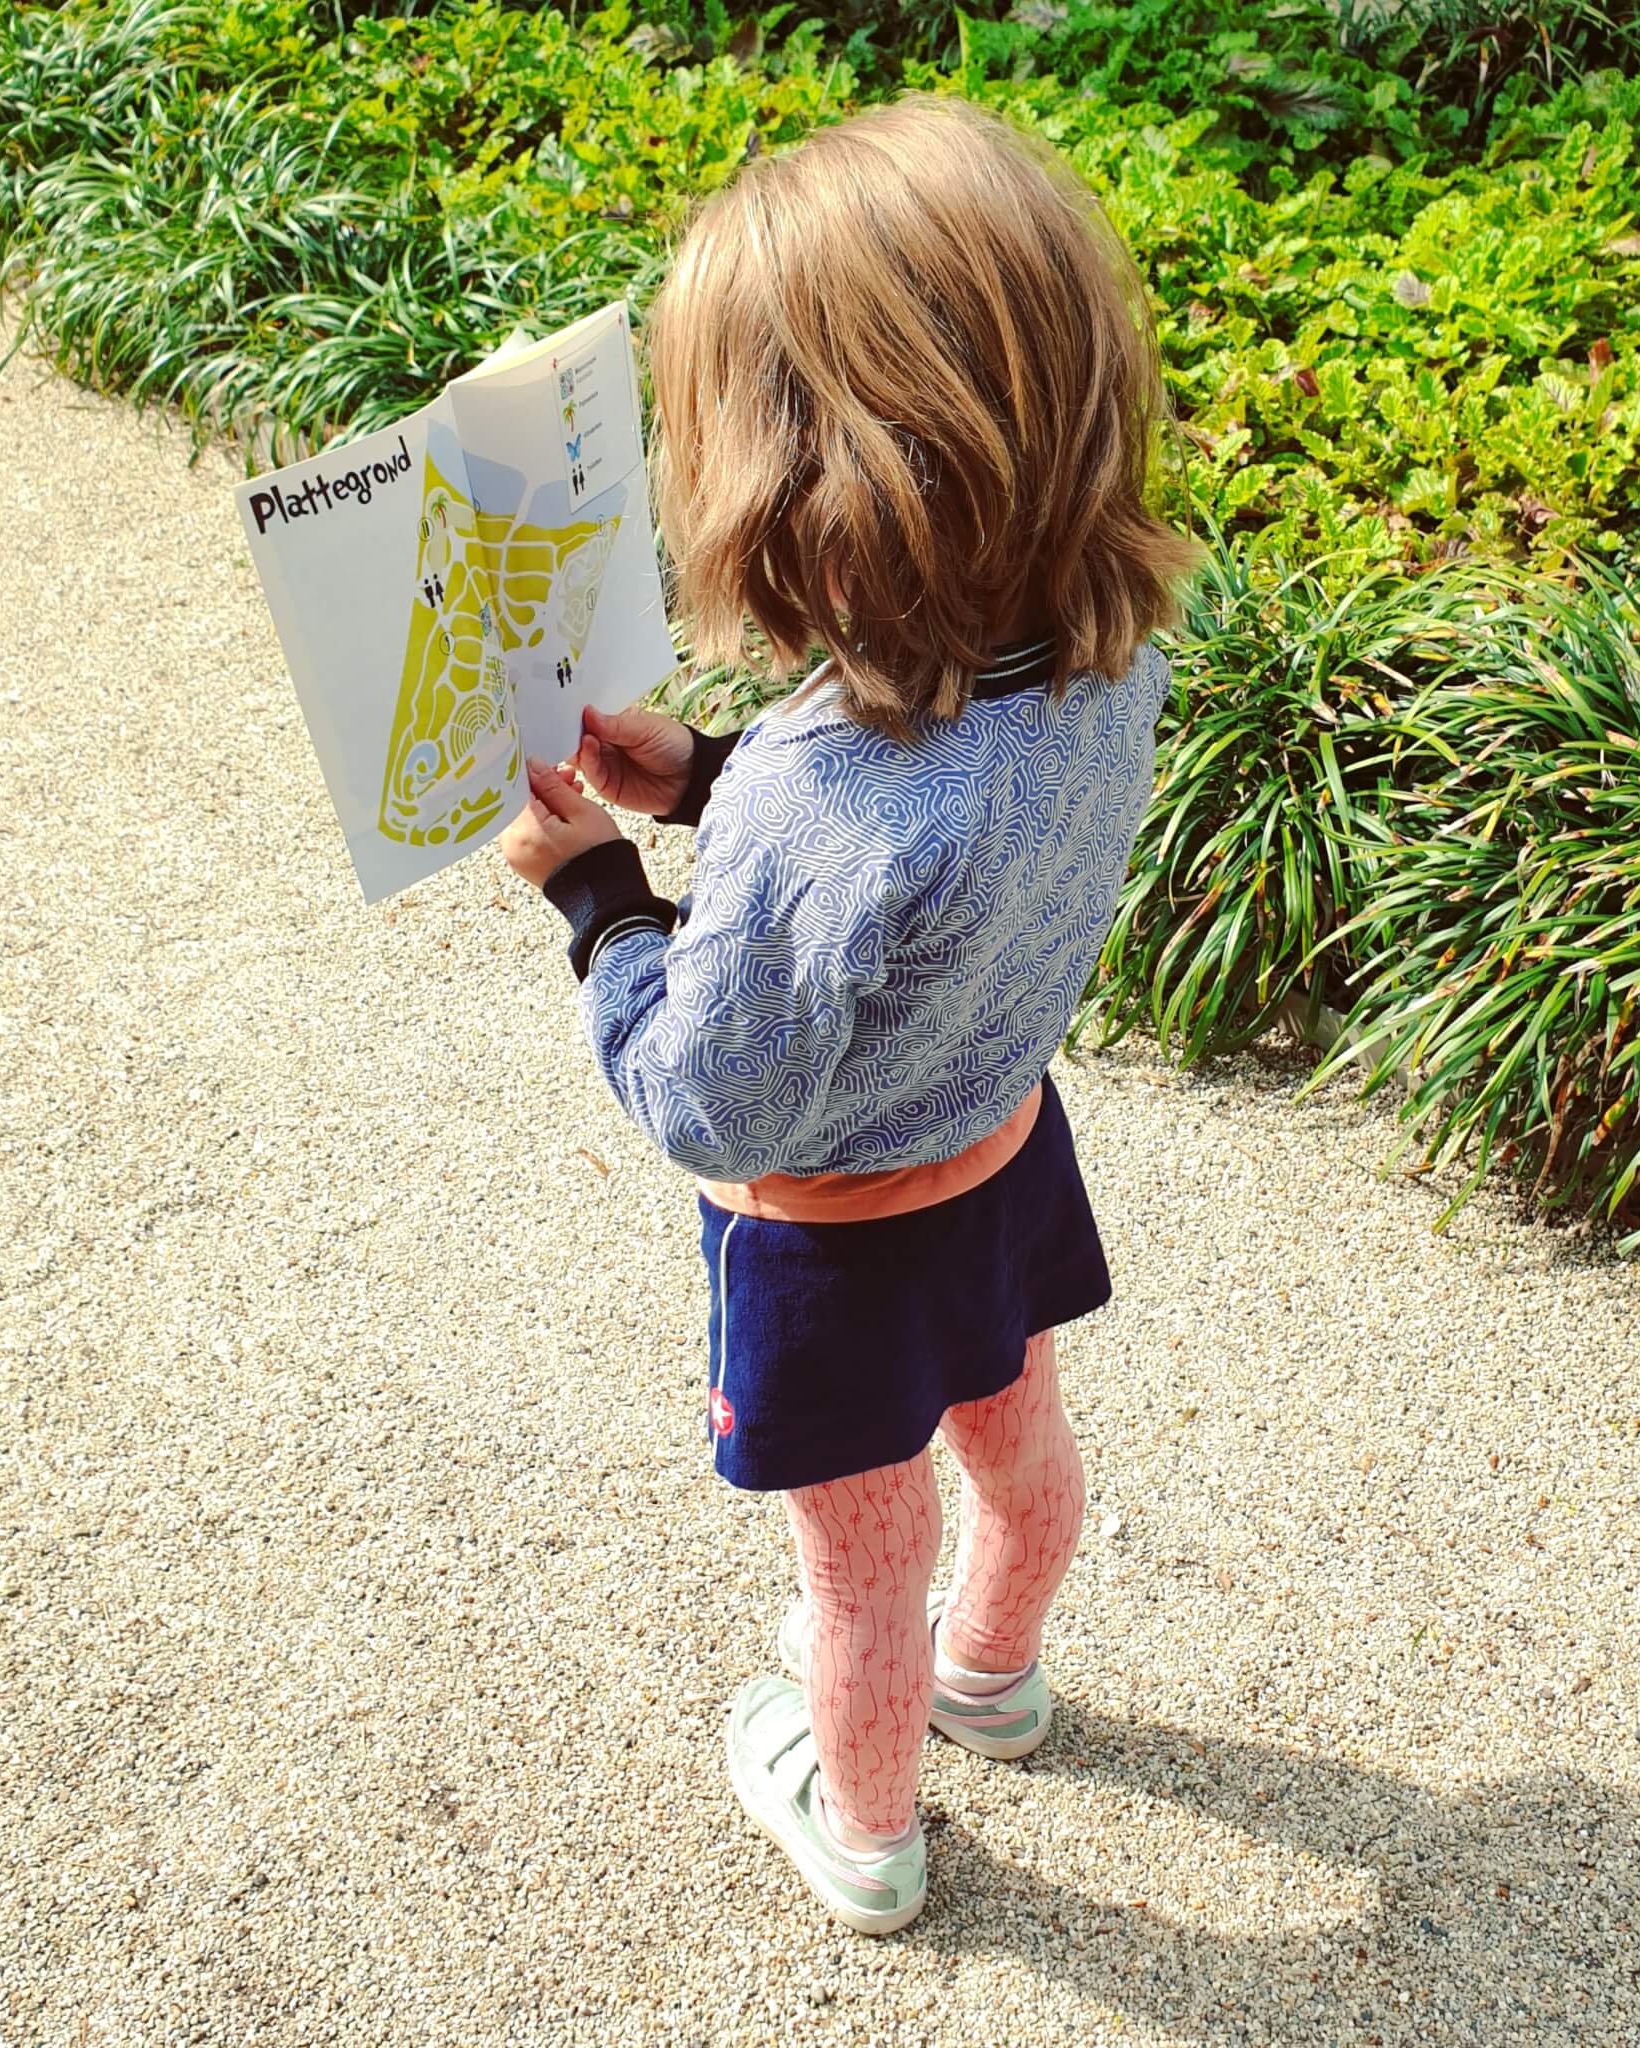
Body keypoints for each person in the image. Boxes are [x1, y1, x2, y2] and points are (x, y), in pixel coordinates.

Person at [497, 92, 1195, 1936]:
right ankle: (998, 1677)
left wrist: (598, 903)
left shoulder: (832, 798)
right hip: (1001, 1161)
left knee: (854, 1572)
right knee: (1019, 1460)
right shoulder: (1111, 656)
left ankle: (865, 1830)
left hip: (833, 1252)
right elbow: (930, 865)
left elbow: (713, 1101)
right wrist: (714, 772)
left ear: (812, 487)